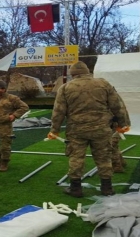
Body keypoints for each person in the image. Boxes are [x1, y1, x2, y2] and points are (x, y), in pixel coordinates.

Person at [48, 61, 130, 197]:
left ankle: (75, 188)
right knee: (104, 158)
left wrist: (54, 130)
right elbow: (117, 105)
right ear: (87, 71)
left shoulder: (65, 88)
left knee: (76, 158)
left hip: (77, 130)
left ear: (72, 74)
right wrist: (123, 123)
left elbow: (58, 111)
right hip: (101, 129)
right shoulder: (103, 83)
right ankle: (107, 188)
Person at [0, 80, 29, 172]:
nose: (0, 90)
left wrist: (14, 115)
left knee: (5, 146)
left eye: (2, 88)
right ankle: (0, 157)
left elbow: (24, 107)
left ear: (5, 89)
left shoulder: (12, 98)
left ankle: (4, 162)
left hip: (5, 125)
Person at [110, 94, 131, 173]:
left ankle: (117, 167)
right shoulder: (113, 96)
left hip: (119, 125)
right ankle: (122, 162)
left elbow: (120, 113)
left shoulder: (113, 98)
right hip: (119, 124)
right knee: (114, 145)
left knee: (111, 145)